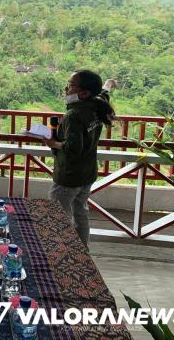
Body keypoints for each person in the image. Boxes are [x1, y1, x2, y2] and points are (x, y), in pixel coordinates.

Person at [43, 70, 117, 245]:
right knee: (81, 214)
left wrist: (55, 144)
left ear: (84, 93)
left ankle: (58, 253)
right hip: (87, 173)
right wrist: (108, 83)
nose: (66, 89)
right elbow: (104, 93)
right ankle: (83, 252)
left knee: (57, 217)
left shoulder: (74, 115)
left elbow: (73, 148)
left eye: (70, 85)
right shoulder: (97, 104)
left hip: (69, 176)